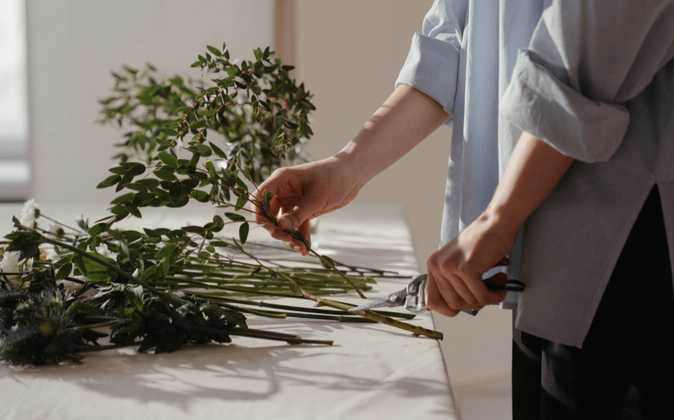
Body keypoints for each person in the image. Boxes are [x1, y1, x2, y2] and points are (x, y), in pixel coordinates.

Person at [253, 1, 674, 418]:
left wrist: (499, 217)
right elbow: (457, 39)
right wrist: (346, 168)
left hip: (625, 244)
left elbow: (586, 56)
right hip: (537, 245)